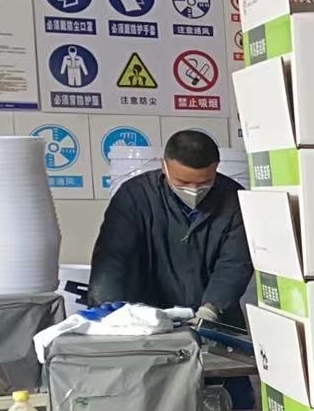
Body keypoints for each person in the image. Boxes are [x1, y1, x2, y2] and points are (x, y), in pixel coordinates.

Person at [87, 129, 251, 327]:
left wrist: (210, 310)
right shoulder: (135, 196)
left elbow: (235, 264)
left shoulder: (234, 199)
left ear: (216, 167)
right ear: (164, 166)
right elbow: (112, 261)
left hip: (214, 319)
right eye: (183, 182)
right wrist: (110, 314)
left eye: (204, 182)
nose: (194, 190)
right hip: (145, 319)